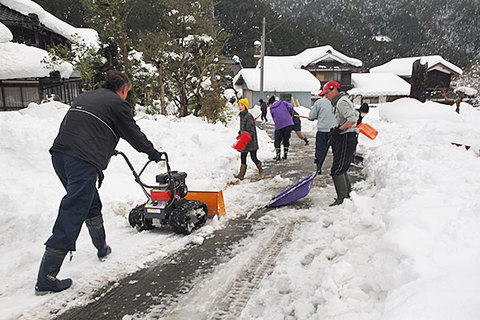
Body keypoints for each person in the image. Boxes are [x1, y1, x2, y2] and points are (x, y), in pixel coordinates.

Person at [35, 70, 164, 295]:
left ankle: (102, 248)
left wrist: (102, 145)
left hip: (60, 156)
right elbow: (133, 133)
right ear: (123, 88)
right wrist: (152, 153)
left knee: (89, 201)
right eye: (128, 91)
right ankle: (46, 277)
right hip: (81, 159)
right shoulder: (117, 103)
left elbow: (86, 127)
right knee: (73, 210)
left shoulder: (86, 96)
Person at [320, 80, 358, 206]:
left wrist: (339, 130)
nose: (326, 97)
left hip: (347, 137)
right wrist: (336, 129)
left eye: (327, 93)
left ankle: (342, 198)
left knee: (337, 169)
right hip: (345, 136)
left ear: (333, 90)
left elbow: (352, 119)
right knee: (342, 167)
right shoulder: (340, 102)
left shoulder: (341, 102)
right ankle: (347, 195)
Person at [233, 98, 264, 180]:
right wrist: (240, 133)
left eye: (242, 105)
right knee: (243, 157)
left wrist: (245, 135)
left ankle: (261, 170)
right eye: (239, 105)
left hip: (251, 141)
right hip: (244, 140)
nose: (240, 107)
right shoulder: (242, 115)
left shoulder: (248, 116)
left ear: (245, 106)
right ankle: (241, 175)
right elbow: (244, 128)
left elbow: (251, 130)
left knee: (254, 158)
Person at [308, 94, 336, 173]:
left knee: (320, 150)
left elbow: (311, 116)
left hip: (322, 130)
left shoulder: (319, 102)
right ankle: (336, 168)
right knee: (336, 150)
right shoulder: (337, 102)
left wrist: (318, 116)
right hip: (335, 131)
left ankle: (319, 167)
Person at [269, 96, 295, 160]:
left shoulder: (271, 108)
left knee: (277, 141)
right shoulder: (283, 103)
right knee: (286, 140)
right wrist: (291, 114)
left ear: (271, 103)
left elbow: (274, 118)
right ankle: (285, 155)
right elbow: (291, 107)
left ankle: (278, 156)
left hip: (279, 126)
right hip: (288, 124)